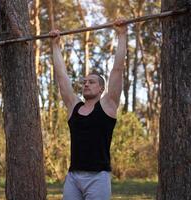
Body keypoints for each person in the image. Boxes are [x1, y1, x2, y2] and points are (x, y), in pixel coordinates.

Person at [49, 18, 127, 200]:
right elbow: (62, 78)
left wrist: (122, 34)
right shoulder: (74, 107)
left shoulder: (108, 105)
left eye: (91, 82)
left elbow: (117, 70)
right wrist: (55, 45)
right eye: (84, 82)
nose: (86, 84)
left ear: (101, 88)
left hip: (98, 177)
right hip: (73, 176)